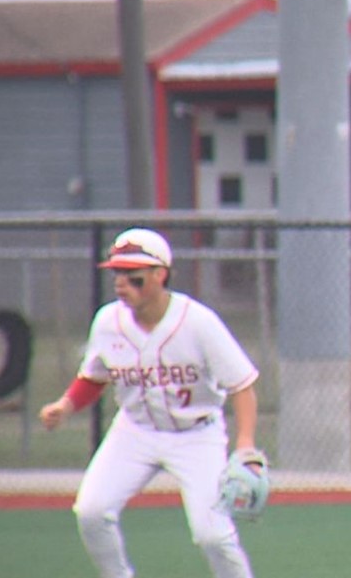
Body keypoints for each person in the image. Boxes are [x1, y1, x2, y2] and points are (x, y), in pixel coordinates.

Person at [40, 227, 262, 578]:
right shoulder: (108, 322)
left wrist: (245, 444)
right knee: (92, 512)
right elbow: (95, 376)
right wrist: (66, 405)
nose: (121, 283)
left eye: (133, 276)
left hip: (196, 435)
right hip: (135, 430)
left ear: (160, 275)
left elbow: (242, 384)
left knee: (212, 536)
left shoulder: (198, 323)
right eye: (117, 273)